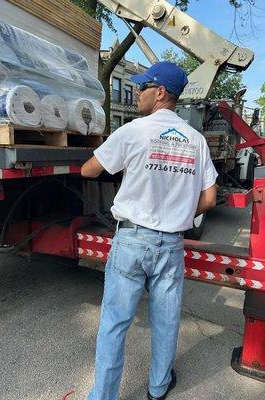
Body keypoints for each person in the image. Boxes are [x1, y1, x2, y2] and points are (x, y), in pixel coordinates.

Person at [81, 61, 218, 400]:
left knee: (115, 323)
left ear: (160, 93)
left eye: (142, 87)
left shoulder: (133, 131)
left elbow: (89, 170)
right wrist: (182, 212)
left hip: (131, 240)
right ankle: (158, 388)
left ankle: (103, 396)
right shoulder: (197, 141)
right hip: (171, 244)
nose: (137, 92)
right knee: (167, 320)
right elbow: (210, 198)